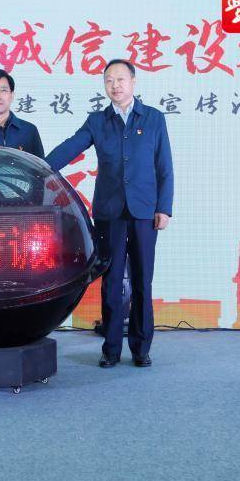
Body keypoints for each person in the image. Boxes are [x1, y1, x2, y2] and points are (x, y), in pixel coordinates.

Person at [46, 59, 173, 368]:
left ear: (133, 82)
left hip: (145, 212)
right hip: (110, 212)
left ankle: (141, 349)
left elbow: (164, 166)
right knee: (112, 281)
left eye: (120, 79)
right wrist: (42, 165)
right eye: (109, 81)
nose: (115, 85)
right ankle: (111, 349)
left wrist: (164, 208)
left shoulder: (153, 118)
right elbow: (71, 147)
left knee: (142, 281)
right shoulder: (97, 121)